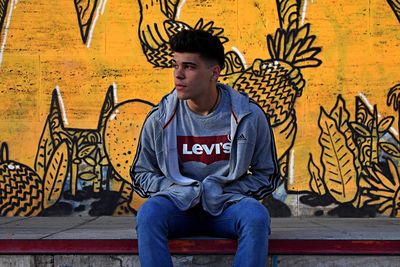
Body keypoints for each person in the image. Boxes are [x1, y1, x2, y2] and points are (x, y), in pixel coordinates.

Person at [131, 29, 280, 267]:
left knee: (256, 216)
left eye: (189, 67)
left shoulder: (249, 116)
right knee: (148, 214)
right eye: (175, 65)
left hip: (227, 208)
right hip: (178, 207)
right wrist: (175, 189)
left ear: (214, 72)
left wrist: (225, 191)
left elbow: (267, 173)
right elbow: (141, 173)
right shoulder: (160, 118)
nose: (178, 75)